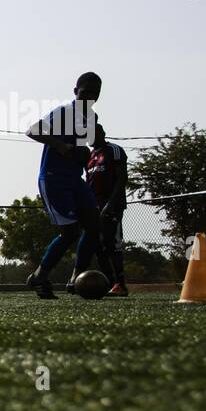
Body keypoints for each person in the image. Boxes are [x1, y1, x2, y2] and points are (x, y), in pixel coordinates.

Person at [24, 72, 118, 299]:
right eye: (86, 92)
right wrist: (60, 146)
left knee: (94, 227)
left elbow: (90, 146)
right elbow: (32, 130)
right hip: (54, 178)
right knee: (69, 232)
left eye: (95, 94)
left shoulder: (92, 117)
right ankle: (39, 276)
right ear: (75, 91)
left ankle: (75, 278)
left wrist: (96, 141)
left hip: (76, 180)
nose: (90, 97)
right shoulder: (64, 111)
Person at [81, 123, 129, 295]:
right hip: (94, 207)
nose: (88, 138)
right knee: (98, 246)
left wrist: (111, 203)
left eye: (91, 134)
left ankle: (120, 284)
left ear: (101, 133)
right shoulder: (90, 156)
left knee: (112, 244)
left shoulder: (114, 150)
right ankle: (109, 282)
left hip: (111, 206)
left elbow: (122, 178)